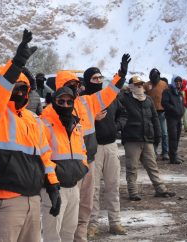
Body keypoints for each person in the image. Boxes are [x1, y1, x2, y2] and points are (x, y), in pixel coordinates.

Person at [0, 29, 60, 242]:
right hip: (6, 201)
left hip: (33, 199)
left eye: (25, 88)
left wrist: (52, 185)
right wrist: (16, 65)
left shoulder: (33, 119)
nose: (21, 92)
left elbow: (45, 157)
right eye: (15, 87)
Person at [51, 54, 130, 242]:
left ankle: (83, 235)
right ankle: (72, 234)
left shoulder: (87, 102)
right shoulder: (54, 110)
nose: (75, 89)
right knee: (72, 205)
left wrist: (121, 74)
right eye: (70, 85)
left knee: (86, 201)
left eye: (76, 85)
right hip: (70, 165)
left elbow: (110, 93)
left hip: (90, 157)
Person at [83, 67, 127, 238]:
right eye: (95, 78)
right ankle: (91, 224)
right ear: (88, 81)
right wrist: (92, 118)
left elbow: (123, 114)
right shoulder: (84, 100)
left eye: (100, 78)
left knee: (113, 186)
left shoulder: (110, 97)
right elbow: (76, 119)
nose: (99, 81)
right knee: (92, 189)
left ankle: (115, 222)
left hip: (110, 146)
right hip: (92, 149)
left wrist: (116, 127)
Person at [40, 86, 88, 242]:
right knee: (52, 235)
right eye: (61, 101)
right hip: (54, 188)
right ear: (54, 101)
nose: (66, 105)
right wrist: (52, 182)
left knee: (69, 232)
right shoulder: (45, 124)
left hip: (74, 186)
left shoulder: (76, 125)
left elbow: (83, 150)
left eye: (69, 102)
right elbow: (43, 157)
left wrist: (83, 167)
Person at [121, 75, 176, 201]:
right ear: (130, 86)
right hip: (132, 139)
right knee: (132, 168)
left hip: (147, 138)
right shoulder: (125, 99)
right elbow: (115, 96)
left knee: (152, 165)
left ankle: (161, 190)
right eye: (136, 84)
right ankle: (133, 192)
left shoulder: (148, 100)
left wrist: (158, 134)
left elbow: (155, 118)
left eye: (141, 84)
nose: (139, 87)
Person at [144, 68, 169, 161]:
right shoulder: (146, 85)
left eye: (156, 77)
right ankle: (153, 152)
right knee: (152, 133)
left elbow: (168, 96)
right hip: (150, 112)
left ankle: (165, 152)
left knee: (164, 133)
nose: (154, 79)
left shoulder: (163, 84)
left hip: (162, 111)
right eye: (152, 77)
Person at [161, 76, 184, 164]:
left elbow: (181, 104)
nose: (178, 83)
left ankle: (174, 154)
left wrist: (181, 111)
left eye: (179, 81)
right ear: (173, 82)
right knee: (173, 137)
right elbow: (164, 103)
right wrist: (174, 109)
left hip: (178, 117)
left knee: (177, 136)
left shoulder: (179, 92)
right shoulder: (167, 91)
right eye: (176, 81)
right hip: (171, 117)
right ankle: (173, 158)